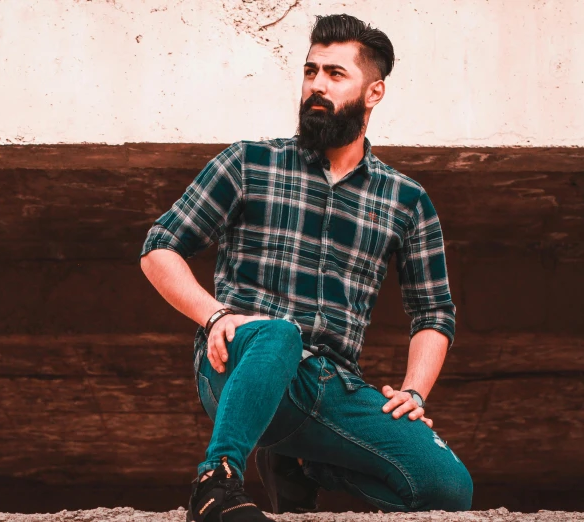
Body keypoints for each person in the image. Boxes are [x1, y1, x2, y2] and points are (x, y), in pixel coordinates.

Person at [139, 13, 473, 522]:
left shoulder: (407, 200)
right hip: (240, 363)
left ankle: (300, 464)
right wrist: (214, 316)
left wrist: (414, 391)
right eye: (310, 71)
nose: (316, 85)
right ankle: (217, 481)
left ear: (374, 92)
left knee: (448, 489)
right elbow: (159, 247)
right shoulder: (248, 162)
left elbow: (433, 312)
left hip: (331, 386)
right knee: (278, 334)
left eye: (335, 74)